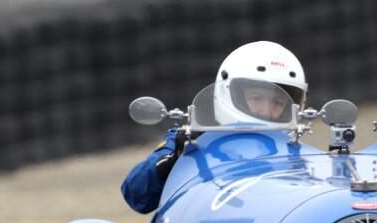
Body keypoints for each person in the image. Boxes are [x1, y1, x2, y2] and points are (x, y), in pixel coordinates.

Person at [120, 41, 308, 213]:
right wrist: (172, 160)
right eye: (256, 99)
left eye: (278, 102)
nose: (266, 111)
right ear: (231, 93)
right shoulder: (192, 139)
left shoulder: (296, 150)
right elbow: (136, 195)